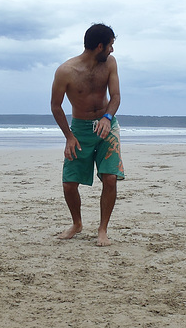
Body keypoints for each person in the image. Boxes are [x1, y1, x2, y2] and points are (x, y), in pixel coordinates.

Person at [50, 23, 125, 246]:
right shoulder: (66, 71)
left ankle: (103, 229)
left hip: (107, 125)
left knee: (110, 178)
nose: (112, 50)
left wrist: (107, 118)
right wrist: (69, 137)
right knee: (69, 184)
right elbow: (55, 106)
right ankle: (77, 223)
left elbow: (116, 96)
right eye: (111, 45)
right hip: (80, 129)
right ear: (99, 46)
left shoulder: (110, 63)